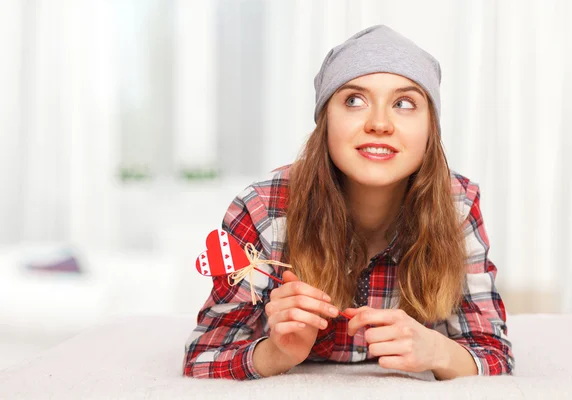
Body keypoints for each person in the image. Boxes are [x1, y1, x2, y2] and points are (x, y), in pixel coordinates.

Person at [183, 24, 514, 381]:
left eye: (404, 103)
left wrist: (437, 350)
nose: (379, 123)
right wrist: (276, 353)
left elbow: (493, 353)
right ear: (325, 120)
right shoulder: (262, 210)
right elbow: (203, 356)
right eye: (354, 100)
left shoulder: (458, 206)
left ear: (430, 128)